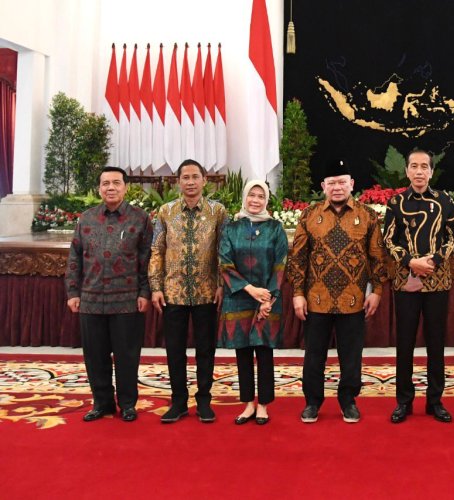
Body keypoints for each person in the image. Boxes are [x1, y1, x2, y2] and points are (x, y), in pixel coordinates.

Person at [286, 159, 387, 424]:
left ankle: (348, 401)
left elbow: (377, 256)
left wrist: (376, 290)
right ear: (323, 186)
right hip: (315, 299)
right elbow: (297, 258)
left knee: (351, 355)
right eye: (332, 183)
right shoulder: (309, 215)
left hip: (353, 300)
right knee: (314, 355)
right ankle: (312, 403)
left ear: (352, 184)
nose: (337, 187)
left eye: (342, 182)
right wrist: (297, 292)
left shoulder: (367, 215)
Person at [65, 166, 153, 422]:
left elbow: (148, 260)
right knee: (95, 356)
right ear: (99, 188)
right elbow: (74, 258)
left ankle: (127, 404)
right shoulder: (86, 219)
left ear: (126, 187)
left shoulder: (140, 218)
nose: (111, 187)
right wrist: (72, 291)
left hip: (127, 300)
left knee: (127, 356)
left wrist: (145, 291)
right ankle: (102, 403)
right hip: (91, 299)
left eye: (116, 183)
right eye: (106, 183)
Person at [383, 148, 454, 423]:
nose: (419, 171)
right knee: (404, 344)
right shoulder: (396, 203)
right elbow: (389, 240)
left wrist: (435, 259)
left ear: (431, 171)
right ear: (406, 171)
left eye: (424, 166)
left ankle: (435, 401)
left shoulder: (444, 201)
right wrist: (410, 262)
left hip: (437, 281)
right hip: (406, 281)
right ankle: (404, 401)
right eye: (414, 166)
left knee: (436, 344)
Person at [149, 159, 227, 423]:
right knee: (175, 349)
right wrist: (156, 286)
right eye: (186, 177)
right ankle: (179, 402)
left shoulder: (218, 212)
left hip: (207, 292)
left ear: (205, 181)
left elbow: (222, 251)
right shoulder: (165, 211)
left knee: (206, 349)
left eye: (196, 177)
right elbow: (157, 251)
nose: (191, 182)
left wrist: (220, 284)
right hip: (173, 292)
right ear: (178, 181)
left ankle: (204, 400)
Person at [218, 180, 288, 426]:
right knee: (243, 354)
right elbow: (224, 263)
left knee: (264, 353)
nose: (255, 200)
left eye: (261, 196)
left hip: (268, 300)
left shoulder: (275, 228)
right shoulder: (231, 228)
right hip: (239, 299)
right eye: (252, 195)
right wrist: (250, 290)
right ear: (245, 197)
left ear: (267, 200)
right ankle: (248, 404)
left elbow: (281, 264)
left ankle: (264, 406)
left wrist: (268, 297)